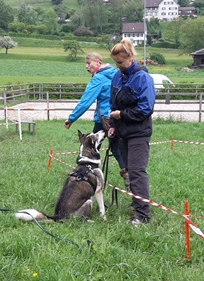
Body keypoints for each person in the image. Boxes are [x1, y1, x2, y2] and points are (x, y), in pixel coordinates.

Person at [64, 52, 129, 188]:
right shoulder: (116, 74)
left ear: (98, 63)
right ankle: (128, 177)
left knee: (90, 146)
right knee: (116, 148)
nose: (86, 67)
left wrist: (71, 118)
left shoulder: (98, 78)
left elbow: (86, 101)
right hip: (117, 116)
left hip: (104, 120)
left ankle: (82, 176)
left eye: (89, 63)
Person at [109, 39, 156, 225]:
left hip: (139, 132)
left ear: (130, 57)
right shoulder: (116, 76)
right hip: (122, 132)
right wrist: (113, 123)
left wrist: (122, 115)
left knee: (137, 172)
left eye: (120, 62)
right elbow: (114, 103)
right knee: (129, 170)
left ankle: (143, 215)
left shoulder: (143, 78)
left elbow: (146, 108)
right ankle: (136, 203)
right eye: (115, 63)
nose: (118, 66)